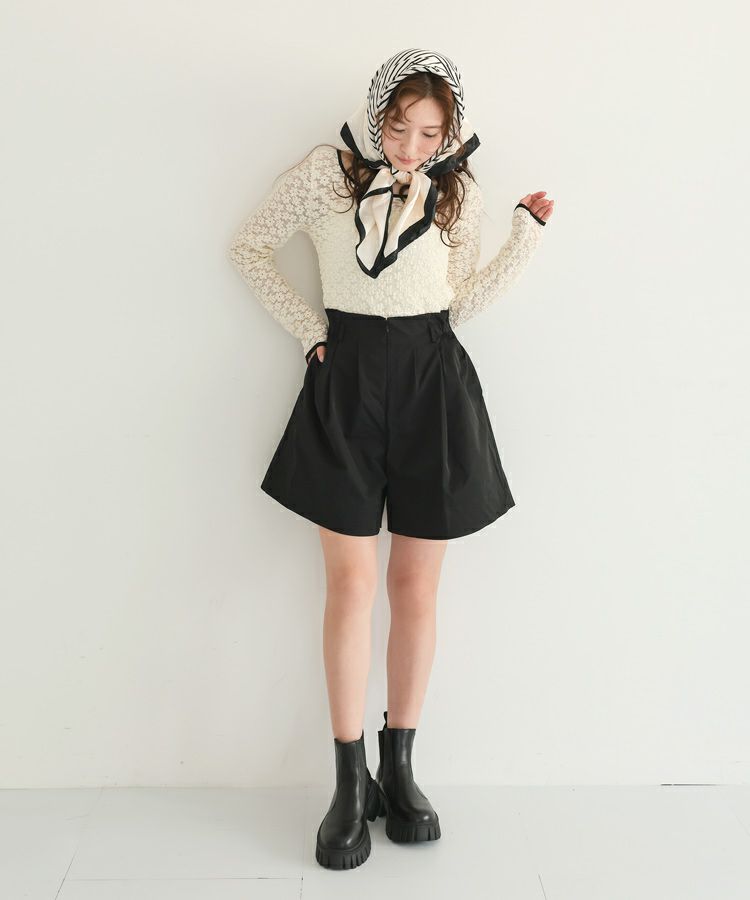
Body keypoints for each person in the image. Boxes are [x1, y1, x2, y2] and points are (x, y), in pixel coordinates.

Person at [228, 47, 554, 870]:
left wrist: (525, 238)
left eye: (430, 134)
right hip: (345, 382)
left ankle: (399, 770)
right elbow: (250, 248)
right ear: (377, 115)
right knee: (349, 585)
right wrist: (312, 334)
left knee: (415, 587)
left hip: (431, 382)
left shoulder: (456, 190)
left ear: (449, 135)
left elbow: (458, 301)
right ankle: (349, 784)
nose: (411, 147)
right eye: (400, 127)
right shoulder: (326, 174)